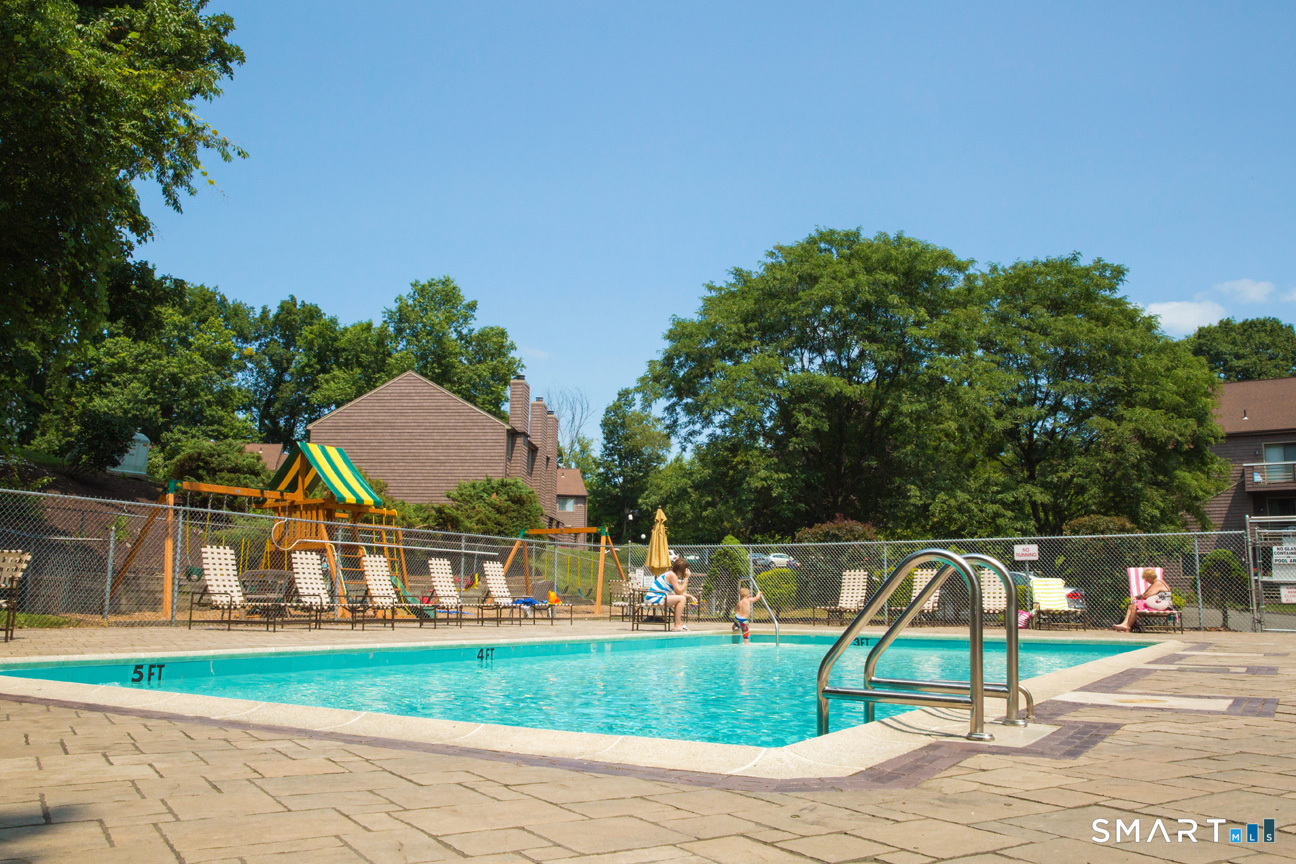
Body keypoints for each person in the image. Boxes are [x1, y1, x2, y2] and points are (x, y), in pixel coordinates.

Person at [645, 556, 698, 632]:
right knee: (682, 599)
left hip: (657, 597)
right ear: (682, 570)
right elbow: (679, 592)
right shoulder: (672, 575)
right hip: (654, 598)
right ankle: (677, 625)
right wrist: (686, 578)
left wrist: (690, 596)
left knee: (681, 598)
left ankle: (678, 624)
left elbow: (678, 593)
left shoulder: (672, 574)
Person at [1113, 568, 1172, 632]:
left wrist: (1138, 597)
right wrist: (1137, 596)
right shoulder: (1155, 583)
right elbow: (1145, 594)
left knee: (1135, 605)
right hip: (1158, 604)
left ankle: (1127, 627)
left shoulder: (1158, 583)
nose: (1146, 581)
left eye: (1146, 578)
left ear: (1151, 577)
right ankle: (1125, 624)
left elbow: (1147, 595)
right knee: (1131, 606)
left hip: (1163, 606)